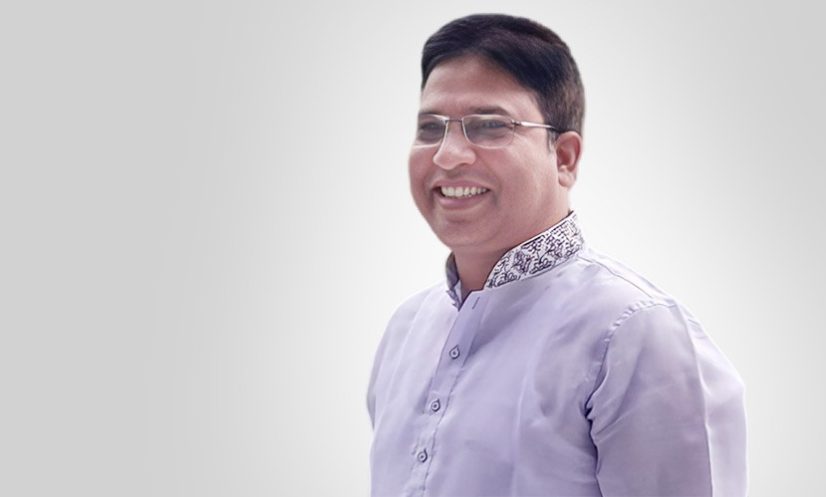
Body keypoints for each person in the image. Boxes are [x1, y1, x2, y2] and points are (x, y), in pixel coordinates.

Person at [367, 13, 747, 497]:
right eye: (430, 127)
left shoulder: (632, 334)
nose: (447, 154)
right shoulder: (407, 330)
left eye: (489, 125)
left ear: (564, 157)